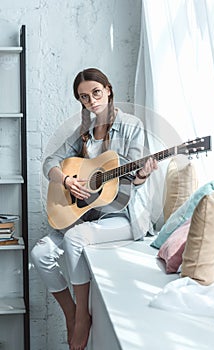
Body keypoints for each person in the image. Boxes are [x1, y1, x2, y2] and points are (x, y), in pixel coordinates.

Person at [31, 68, 158, 350]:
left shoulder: (131, 125)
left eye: (96, 93)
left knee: (75, 239)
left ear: (109, 90)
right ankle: (72, 312)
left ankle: (82, 321)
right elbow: (50, 161)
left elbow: (132, 183)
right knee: (39, 254)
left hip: (122, 216)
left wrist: (142, 175)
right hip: (89, 214)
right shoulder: (84, 132)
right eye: (84, 98)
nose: (92, 101)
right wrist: (64, 179)